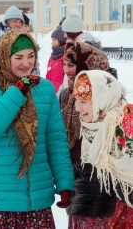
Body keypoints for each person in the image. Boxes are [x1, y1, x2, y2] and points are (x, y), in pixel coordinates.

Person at [0, 29, 74, 228]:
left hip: (35, 197)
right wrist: (16, 91)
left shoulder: (45, 89)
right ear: (4, 57)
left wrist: (65, 181)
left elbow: (55, 140)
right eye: (19, 57)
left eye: (31, 56)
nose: (27, 63)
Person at [59, 41, 117, 228]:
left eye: (72, 64)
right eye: (65, 64)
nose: (67, 70)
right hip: (76, 181)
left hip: (101, 190)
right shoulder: (66, 95)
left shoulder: (108, 97)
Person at [72, 70, 133, 229]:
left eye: (84, 101)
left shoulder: (127, 124)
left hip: (123, 213)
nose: (77, 108)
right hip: (89, 213)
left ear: (103, 99)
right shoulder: (90, 127)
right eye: (76, 100)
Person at [0, 6, 40, 76]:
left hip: (23, 76)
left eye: (20, 22)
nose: (18, 24)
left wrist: (35, 77)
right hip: (3, 78)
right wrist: (8, 75)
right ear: (7, 21)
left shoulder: (20, 35)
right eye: (15, 21)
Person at [46, 25, 67, 93]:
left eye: (54, 40)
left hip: (61, 92)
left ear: (61, 40)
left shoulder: (66, 55)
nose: (52, 43)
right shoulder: (52, 55)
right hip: (51, 91)